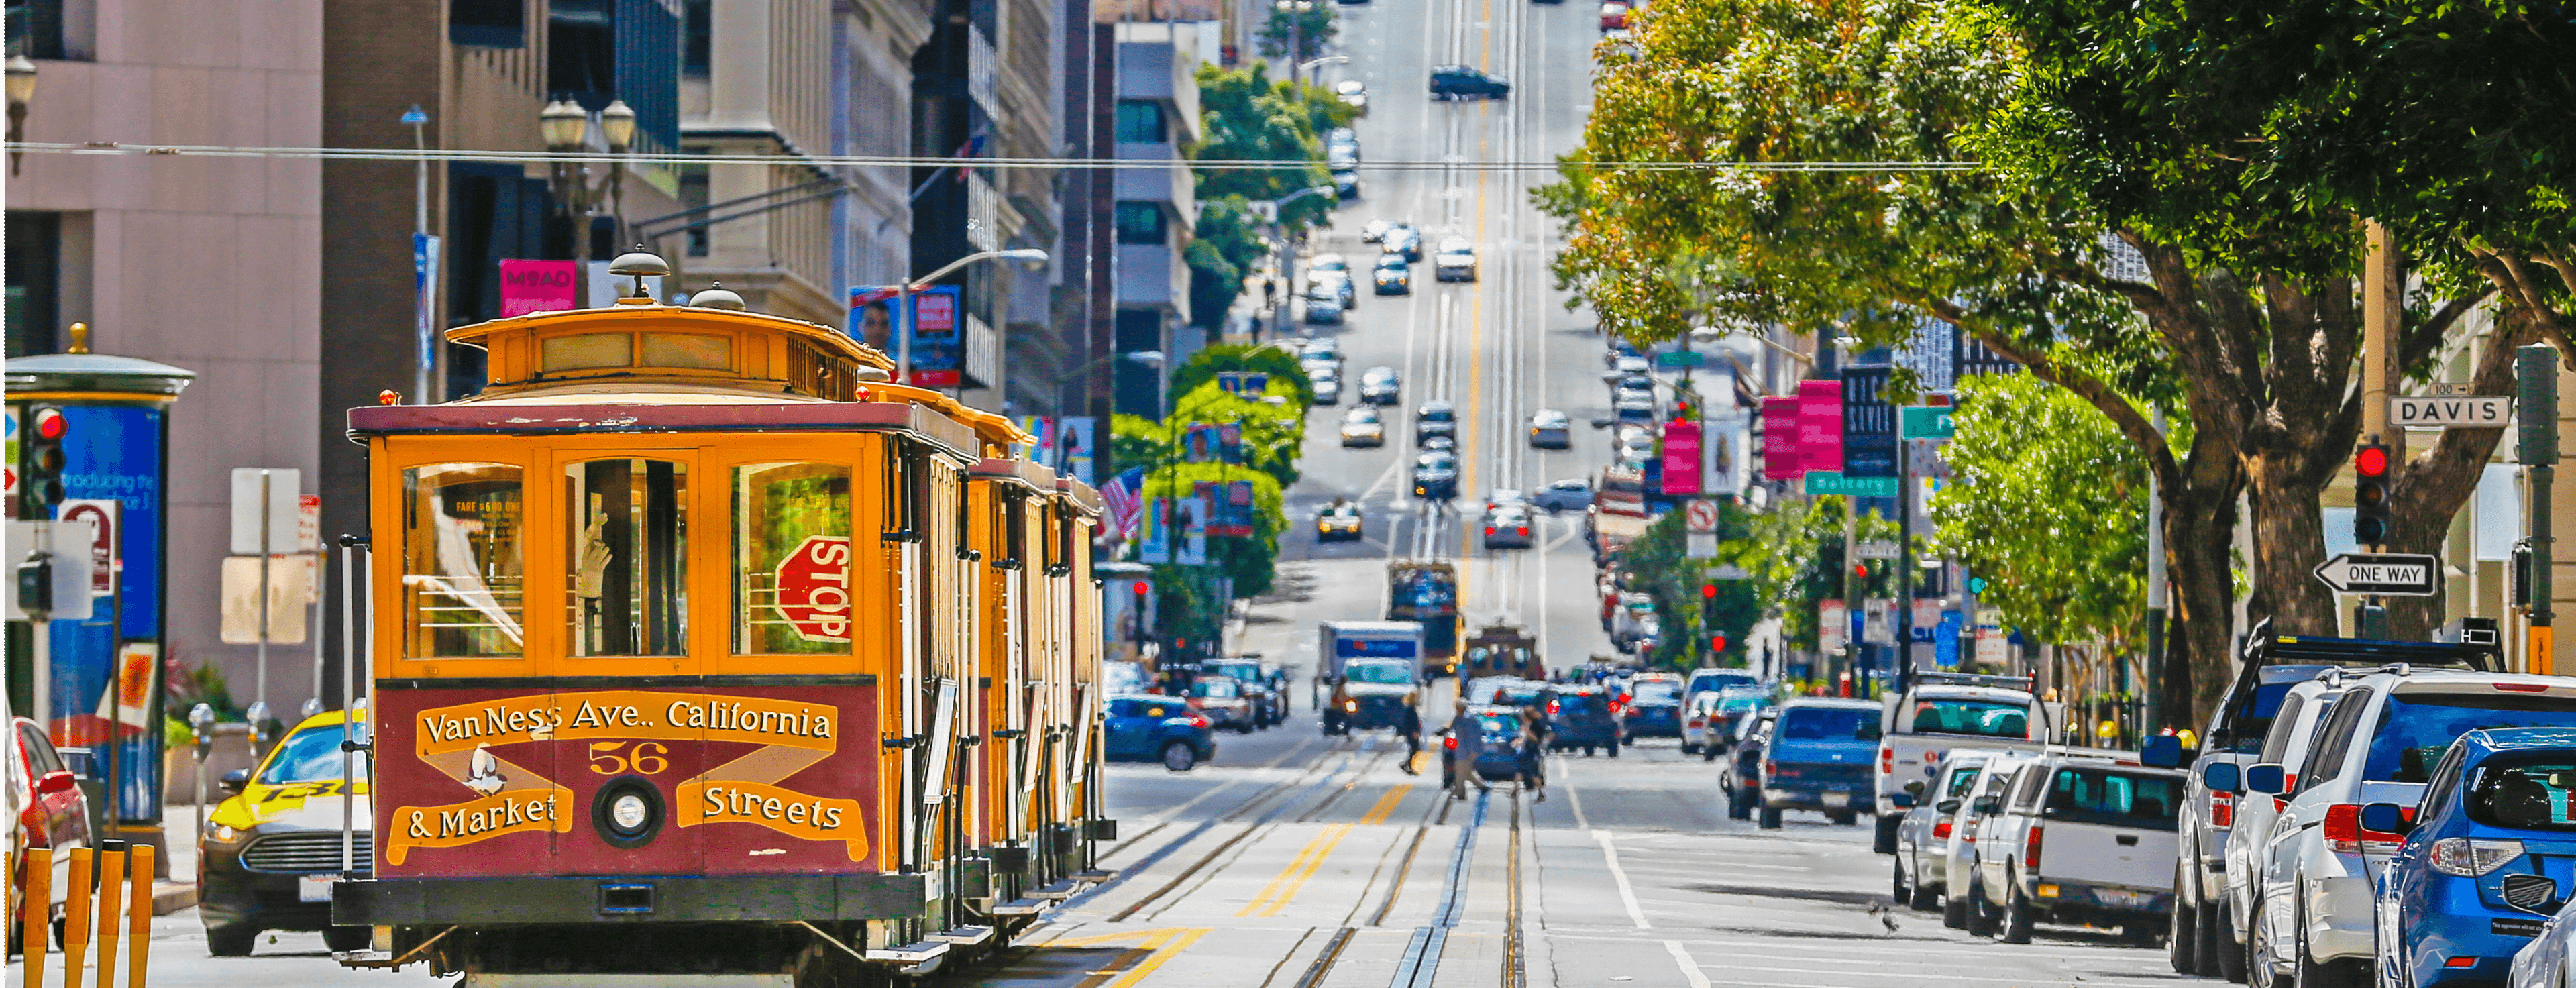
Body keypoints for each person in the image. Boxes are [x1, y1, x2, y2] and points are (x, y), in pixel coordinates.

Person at [1446, 700, 1486, 800]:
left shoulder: (1468, 719)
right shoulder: (1458, 718)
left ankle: (1461, 793)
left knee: (1460, 772)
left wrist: (1473, 751)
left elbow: (1474, 736)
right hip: (1459, 750)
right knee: (1467, 771)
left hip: (1466, 751)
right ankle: (1481, 786)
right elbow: (1453, 729)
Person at [1517, 712, 1549, 801]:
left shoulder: (1534, 727)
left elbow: (1536, 739)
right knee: (1522, 772)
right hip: (1528, 753)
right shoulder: (1529, 726)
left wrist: (1526, 732)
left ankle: (1540, 792)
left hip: (1533, 753)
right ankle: (1515, 790)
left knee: (1533, 774)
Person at [1395, 704, 1422, 775]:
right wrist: (1415, 731)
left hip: (1411, 733)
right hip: (1412, 733)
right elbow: (1412, 722)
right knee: (1415, 748)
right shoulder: (1411, 710)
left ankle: (1407, 765)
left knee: (1415, 749)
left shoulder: (1410, 709)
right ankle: (1407, 765)